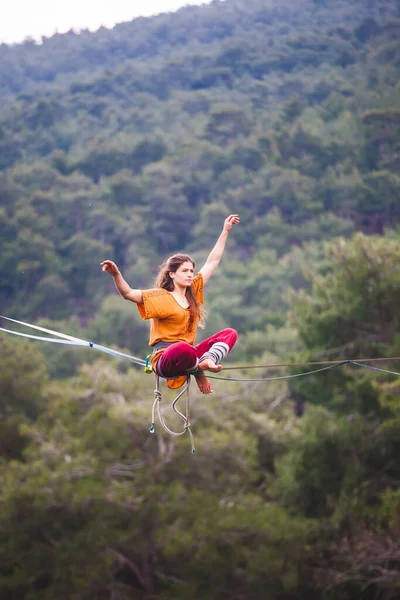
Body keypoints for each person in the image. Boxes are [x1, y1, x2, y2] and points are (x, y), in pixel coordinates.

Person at [100, 214, 240, 394]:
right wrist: (116, 274)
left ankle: (207, 360)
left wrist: (225, 231)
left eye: (191, 271)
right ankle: (199, 370)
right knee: (182, 348)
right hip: (165, 359)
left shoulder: (194, 290)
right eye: (185, 271)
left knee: (229, 334)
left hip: (189, 355)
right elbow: (128, 294)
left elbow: (212, 262)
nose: (190, 274)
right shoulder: (160, 297)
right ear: (172, 274)